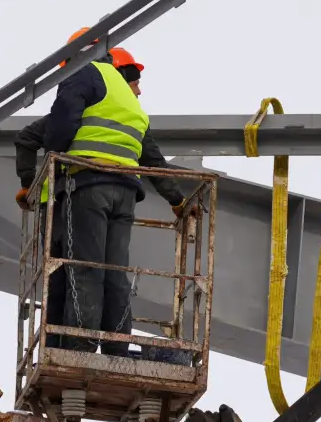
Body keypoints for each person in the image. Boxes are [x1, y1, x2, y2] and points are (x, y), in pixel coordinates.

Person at [15, 34, 190, 356]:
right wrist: (177, 200)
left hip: (86, 186)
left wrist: (48, 171)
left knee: (81, 269)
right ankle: (116, 348)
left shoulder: (84, 73)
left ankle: (76, 349)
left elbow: (61, 123)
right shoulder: (128, 103)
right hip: (124, 191)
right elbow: (153, 158)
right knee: (114, 273)